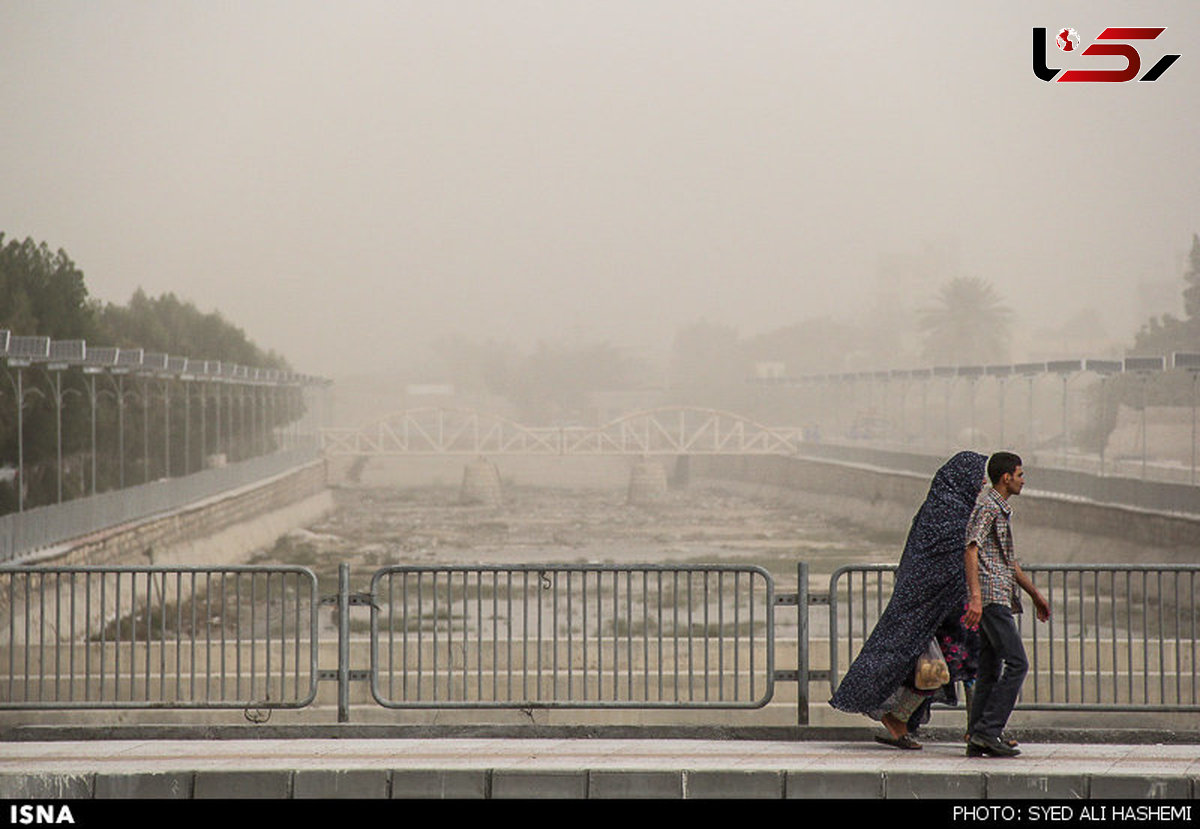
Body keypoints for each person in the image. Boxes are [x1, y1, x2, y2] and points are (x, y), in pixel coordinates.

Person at [829, 451, 987, 749]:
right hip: (939, 606)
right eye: (978, 475)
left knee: (954, 666)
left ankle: (974, 729)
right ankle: (905, 721)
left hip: (945, 605)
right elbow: (948, 559)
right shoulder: (951, 513)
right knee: (947, 666)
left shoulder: (943, 508)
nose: (981, 482)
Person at [963, 451, 1051, 758]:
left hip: (998, 593)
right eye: (1021, 475)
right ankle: (989, 731)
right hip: (991, 597)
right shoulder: (988, 507)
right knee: (1018, 663)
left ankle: (978, 735)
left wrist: (1034, 594)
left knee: (989, 668)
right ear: (1006, 478)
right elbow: (971, 549)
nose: (1023, 480)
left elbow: (1007, 562)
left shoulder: (998, 509)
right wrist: (975, 596)